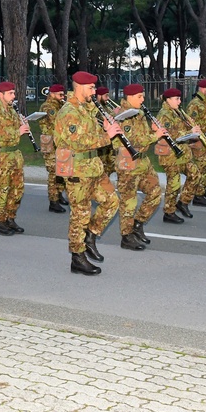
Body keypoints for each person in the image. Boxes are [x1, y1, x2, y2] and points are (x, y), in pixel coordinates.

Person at [54, 71, 123, 275]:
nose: (94, 91)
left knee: (112, 201)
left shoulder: (89, 108)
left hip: (95, 168)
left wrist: (109, 129)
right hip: (77, 170)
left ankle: (91, 235)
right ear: (79, 87)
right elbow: (77, 142)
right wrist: (107, 137)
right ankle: (78, 256)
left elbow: (93, 134)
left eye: (94, 87)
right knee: (80, 214)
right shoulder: (69, 112)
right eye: (91, 87)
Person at [114, 84, 169, 250]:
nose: (143, 99)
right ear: (129, 97)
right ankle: (126, 236)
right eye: (140, 96)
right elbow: (133, 141)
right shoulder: (123, 116)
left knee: (155, 194)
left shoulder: (139, 113)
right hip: (128, 164)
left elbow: (142, 135)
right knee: (128, 203)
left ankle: (137, 225)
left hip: (143, 163)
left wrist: (152, 129)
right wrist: (155, 135)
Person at [0, 81, 29, 236]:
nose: (14, 96)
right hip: (1, 155)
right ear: (1, 95)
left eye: (14, 93)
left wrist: (23, 124)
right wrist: (18, 132)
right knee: (2, 189)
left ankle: (10, 217)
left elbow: (15, 128)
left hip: (14, 155)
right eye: (10, 93)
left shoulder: (11, 110)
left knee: (17, 189)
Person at [155, 88, 202, 224]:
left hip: (183, 154)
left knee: (195, 175)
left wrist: (194, 132)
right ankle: (169, 213)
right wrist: (189, 131)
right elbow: (170, 134)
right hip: (170, 156)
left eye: (180, 99)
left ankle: (183, 202)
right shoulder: (164, 115)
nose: (179, 101)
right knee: (174, 185)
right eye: (177, 99)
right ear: (168, 100)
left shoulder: (178, 112)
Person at [38, 83, 69, 213]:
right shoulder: (48, 106)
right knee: (53, 172)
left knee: (61, 170)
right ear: (52, 94)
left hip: (59, 142)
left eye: (63, 94)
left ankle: (59, 194)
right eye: (60, 95)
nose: (63, 97)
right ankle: (53, 201)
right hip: (50, 142)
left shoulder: (60, 105)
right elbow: (57, 121)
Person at [94, 86, 117, 177]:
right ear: (99, 96)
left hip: (109, 142)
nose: (108, 98)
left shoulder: (106, 107)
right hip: (100, 144)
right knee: (102, 168)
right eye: (106, 96)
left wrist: (118, 113)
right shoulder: (94, 108)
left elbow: (113, 118)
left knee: (110, 167)